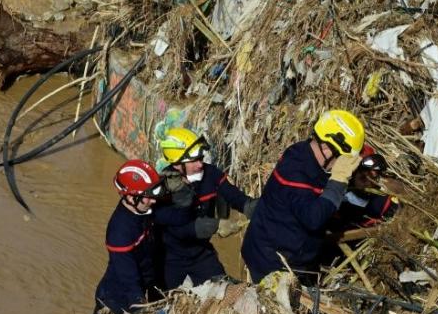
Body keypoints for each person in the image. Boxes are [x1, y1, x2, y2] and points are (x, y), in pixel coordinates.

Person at [241, 109, 370, 284]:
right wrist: (338, 180)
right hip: (272, 262)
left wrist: (351, 181)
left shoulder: (303, 152)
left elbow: (320, 183)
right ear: (326, 147)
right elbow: (313, 218)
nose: (338, 166)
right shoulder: (296, 173)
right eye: (340, 160)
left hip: (285, 251)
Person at [155, 127, 258, 289]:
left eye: (201, 157)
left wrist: (251, 206)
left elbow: (234, 196)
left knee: (223, 291)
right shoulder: (163, 188)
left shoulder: (210, 174)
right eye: (194, 160)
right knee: (164, 301)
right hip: (170, 259)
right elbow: (175, 229)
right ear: (177, 164)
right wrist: (214, 225)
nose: (200, 164)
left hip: (201, 254)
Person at [92, 159, 164, 314]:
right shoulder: (119, 233)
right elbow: (129, 280)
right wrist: (142, 312)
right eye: (148, 197)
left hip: (143, 283)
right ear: (131, 198)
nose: (153, 200)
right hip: (114, 301)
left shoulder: (143, 209)